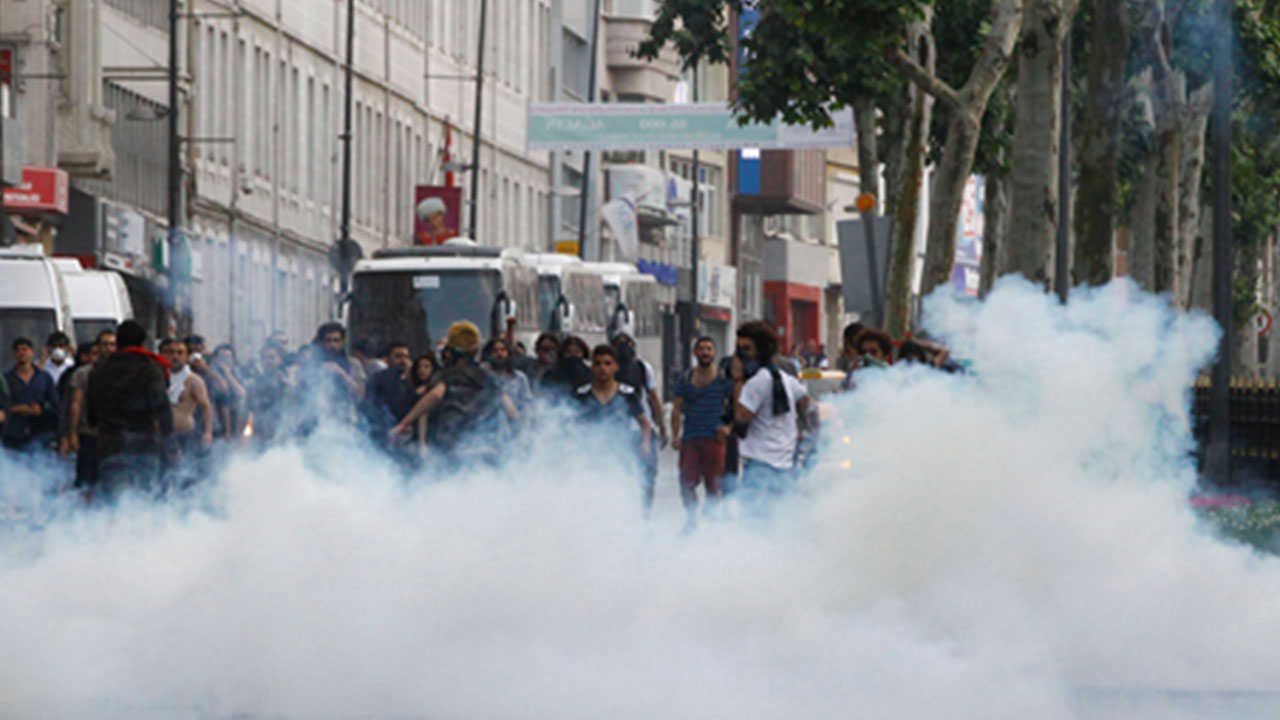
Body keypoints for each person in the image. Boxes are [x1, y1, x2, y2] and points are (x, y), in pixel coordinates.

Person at [392, 321, 509, 468]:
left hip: (452, 442)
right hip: (483, 439)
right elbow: (509, 408)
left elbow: (434, 396)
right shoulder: (487, 376)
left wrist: (404, 423)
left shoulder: (448, 375)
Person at [87, 320, 174, 500]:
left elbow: (91, 416)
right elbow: (162, 408)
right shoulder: (151, 368)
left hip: (111, 448)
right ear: (143, 342)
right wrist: (169, 442)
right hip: (145, 448)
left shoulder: (100, 370)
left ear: (118, 342)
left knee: (115, 509)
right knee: (144, 507)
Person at [732, 321, 812, 510]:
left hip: (760, 468)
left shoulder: (757, 382)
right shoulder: (786, 380)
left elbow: (741, 418)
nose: (741, 355)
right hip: (785, 466)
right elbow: (808, 406)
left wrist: (737, 379)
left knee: (753, 526)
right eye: (738, 349)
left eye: (746, 349)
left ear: (761, 350)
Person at [575, 344, 653, 506]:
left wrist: (645, 443)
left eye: (607, 363)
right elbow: (570, 425)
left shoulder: (627, 394)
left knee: (620, 497)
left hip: (620, 455)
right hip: (589, 457)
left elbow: (644, 423)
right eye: (598, 363)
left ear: (616, 367)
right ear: (592, 367)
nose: (602, 368)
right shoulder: (582, 394)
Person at [671, 337, 734, 528]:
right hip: (691, 437)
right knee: (686, 483)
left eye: (709, 349)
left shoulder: (723, 379)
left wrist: (728, 428)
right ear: (694, 353)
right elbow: (676, 409)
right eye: (701, 349)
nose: (705, 352)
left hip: (714, 438)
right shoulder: (685, 379)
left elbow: (736, 406)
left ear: (714, 353)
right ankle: (691, 519)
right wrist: (675, 435)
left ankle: (712, 520)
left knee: (714, 484)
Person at [612, 332, 668, 495]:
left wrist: (661, 426)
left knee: (648, 474)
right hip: (620, 430)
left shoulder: (643, 368)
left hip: (642, 428)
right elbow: (654, 398)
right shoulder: (608, 369)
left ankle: (645, 509)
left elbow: (654, 398)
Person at [63, 329, 116, 489]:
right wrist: (72, 433)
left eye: (112, 344)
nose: (108, 348)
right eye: (104, 344)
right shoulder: (83, 373)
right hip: (89, 433)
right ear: (98, 347)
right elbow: (76, 404)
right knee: (86, 482)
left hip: (113, 435)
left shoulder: (122, 373)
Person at [3, 337, 59, 452]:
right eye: (18, 350)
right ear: (14, 354)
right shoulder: (6, 379)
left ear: (32, 352)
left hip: (40, 433)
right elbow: (2, 405)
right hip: (13, 435)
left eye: (25, 349)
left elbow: (55, 403)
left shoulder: (44, 377)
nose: (21, 353)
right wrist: (16, 409)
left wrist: (41, 409)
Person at [160, 338, 214, 453]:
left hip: (184, 436)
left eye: (180, 353)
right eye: (170, 352)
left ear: (186, 357)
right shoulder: (158, 377)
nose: (175, 356)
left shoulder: (194, 380)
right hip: (161, 437)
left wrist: (207, 432)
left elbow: (205, 406)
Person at [308, 322, 367, 426]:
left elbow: (360, 394)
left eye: (336, 340)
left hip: (346, 420)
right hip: (317, 421)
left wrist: (341, 373)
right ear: (321, 342)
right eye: (328, 340)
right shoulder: (311, 365)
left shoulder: (353, 364)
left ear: (342, 342)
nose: (332, 345)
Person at [363, 341, 416, 448]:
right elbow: (371, 404)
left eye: (406, 356)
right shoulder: (378, 378)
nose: (403, 360)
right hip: (386, 431)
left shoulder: (414, 379)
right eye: (398, 356)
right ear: (387, 359)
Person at [482, 336, 534, 440]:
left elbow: (526, 406)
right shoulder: (483, 376)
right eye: (495, 350)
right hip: (488, 433)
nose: (499, 353)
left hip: (514, 431)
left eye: (503, 350)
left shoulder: (519, 377)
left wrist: (525, 431)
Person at [248, 343, 290, 444]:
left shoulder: (288, 384)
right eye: (264, 358)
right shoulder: (253, 385)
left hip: (284, 433)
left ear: (279, 360)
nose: (268, 361)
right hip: (260, 434)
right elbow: (249, 411)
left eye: (272, 358)